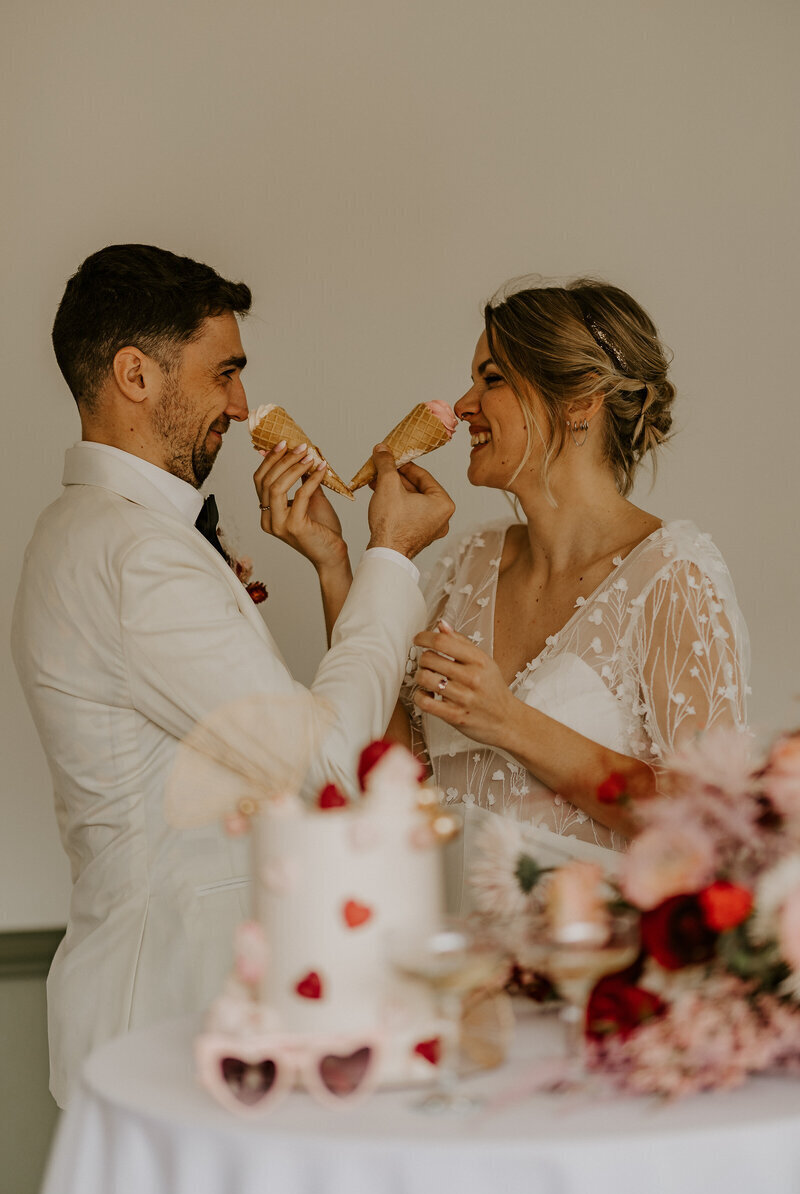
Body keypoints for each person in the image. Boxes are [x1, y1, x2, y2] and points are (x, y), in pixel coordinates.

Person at [11, 243, 454, 1105]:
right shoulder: (136, 555)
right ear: (134, 375)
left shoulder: (113, 533)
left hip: (192, 1015)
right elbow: (322, 763)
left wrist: (329, 558)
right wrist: (390, 560)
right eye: (226, 373)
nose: (244, 406)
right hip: (169, 1019)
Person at [390, 278, 749, 910]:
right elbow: (398, 777)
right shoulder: (467, 562)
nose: (465, 404)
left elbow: (708, 834)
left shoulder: (671, 578)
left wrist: (510, 721)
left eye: (492, 378)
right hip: (447, 959)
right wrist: (344, 568)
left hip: (585, 969)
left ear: (577, 402)